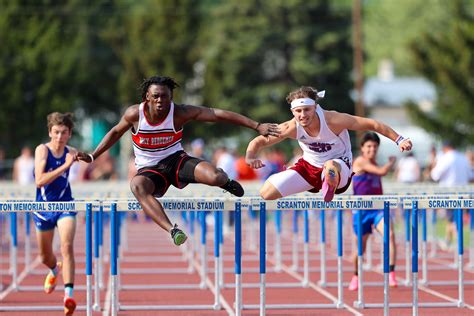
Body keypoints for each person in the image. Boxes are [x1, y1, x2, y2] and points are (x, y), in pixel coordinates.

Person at [75, 75, 280, 246]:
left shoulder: (179, 113)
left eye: (165, 97)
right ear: (147, 96)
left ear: (171, 97)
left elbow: (218, 114)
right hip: (149, 169)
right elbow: (114, 132)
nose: (160, 101)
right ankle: (173, 230)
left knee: (215, 176)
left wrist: (256, 125)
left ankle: (225, 182)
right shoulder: (134, 114)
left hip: (176, 160)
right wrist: (93, 155)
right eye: (155, 96)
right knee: (137, 186)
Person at [245, 86, 412, 202]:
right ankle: (314, 184)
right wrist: (250, 156)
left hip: (340, 167)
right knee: (266, 193)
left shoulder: (333, 120)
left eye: (307, 110)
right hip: (309, 168)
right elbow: (260, 140)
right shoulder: (291, 127)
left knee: (330, 165)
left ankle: (328, 183)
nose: (303, 115)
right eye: (298, 111)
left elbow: (372, 124)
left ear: (315, 107)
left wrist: (399, 139)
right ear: (292, 112)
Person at [33, 112, 78, 315]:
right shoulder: (42, 150)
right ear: (50, 132)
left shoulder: (72, 151)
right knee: (44, 256)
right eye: (56, 132)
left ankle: (68, 296)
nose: (60, 137)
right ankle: (53, 269)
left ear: (69, 134)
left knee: (66, 246)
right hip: (43, 208)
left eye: (64, 133)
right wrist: (67, 165)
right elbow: (40, 180)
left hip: (65, 205)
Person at [348, 132, 398, 290]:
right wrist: (391, 163)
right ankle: (355, 275)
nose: (372, 149)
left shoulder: (374, 162)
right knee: (360, 249)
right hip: (361, 211)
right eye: (369, 146)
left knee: (389, 234)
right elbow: (382, 172)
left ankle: (391, 273)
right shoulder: (360, 161)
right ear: (362, 148)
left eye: (375, 147)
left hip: (377, 210)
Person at [430, 141, 470, 250]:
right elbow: (471, 176)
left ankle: (458, 242)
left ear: (445, 147)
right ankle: (448, 241)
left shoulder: (445, 158)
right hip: (463, 192)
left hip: (449, 192)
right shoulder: (463, 158)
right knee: (453, 218)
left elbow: (435, 175)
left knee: (452, 219)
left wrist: (433, 162)